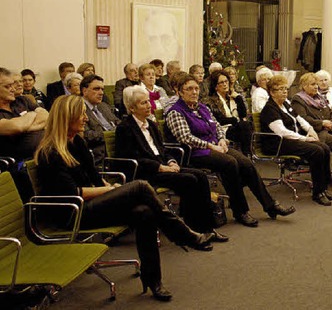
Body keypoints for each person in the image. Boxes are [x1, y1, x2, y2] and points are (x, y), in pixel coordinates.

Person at [35, 95, 219, 302]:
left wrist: (107, 187)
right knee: (140, 186)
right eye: (82, 114)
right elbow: (74, 193)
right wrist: (111, 190)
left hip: (90, 204)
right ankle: (184, 234)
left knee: (145, 212)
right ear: (67, 118)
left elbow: (94, 179)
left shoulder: (76, 141)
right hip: (72, 213)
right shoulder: (50, 152)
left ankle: (153, 280)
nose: (86, 118)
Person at [165, 73, 295, 227]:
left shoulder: (202, 107)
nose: (194, 92)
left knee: (246, 163)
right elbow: (185, 137)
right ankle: (240, 211)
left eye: (196, 88)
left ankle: (270, 205)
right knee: (230, 163)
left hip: (216, 146)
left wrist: (221, 139)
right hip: (194, 152)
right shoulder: (175, 112)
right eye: (189, 89)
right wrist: (211, 145)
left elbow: (217, 126)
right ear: (180, 92)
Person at [116, 86, 229, 240]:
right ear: (132, 108)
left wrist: (171, 161)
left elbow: (163, 149)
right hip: (145, 171)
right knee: (188, 180)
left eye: (148, 101)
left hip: (163, 166)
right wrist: (159, 167)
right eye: (143, 103)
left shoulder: (151, 124)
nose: (149, 105)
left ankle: (208, 227)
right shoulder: (125, 128)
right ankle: (191, 231)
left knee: (201, 176)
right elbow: (129, 158)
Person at [260, 75, 332, 206]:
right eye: (280, 89)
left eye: (286, 89)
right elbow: (282, 132)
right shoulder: (269, 109)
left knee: (324, 148)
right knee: (316, 151)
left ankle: (323, 187)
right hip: (277, 143)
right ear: (272, 92)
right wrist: (305, 138)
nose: (284, 91)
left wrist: (311, 129)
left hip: (291, 140)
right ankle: (317, 193)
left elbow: (300, 119)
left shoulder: (286, 104)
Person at [0, 67, 48, 201]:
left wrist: (25, 126)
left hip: (40, 157)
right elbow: (15, 126)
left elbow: (46, 116)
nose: (13, 89)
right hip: (16, 165)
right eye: (8, 86)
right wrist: (33, 114)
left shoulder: (22, 100)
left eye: (13, 85)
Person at [203, 70, 252, 155]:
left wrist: (239, 99)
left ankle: (246, 154)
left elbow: (243, 114)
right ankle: (247, 154)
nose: (225, 84)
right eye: (221, 82)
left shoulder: (233, 98)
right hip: (222, 129)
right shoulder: (211, 101)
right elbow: (220, 120)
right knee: (244, 125)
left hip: (235, 128)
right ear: (215, 86)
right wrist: (235, 120)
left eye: (226, 81)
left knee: (246, 124)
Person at [81, 75, 119, 165]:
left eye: (102, 89)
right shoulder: (79, 108)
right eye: (96, 89)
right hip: (100, 153)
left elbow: (118, 122)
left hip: (116, 147)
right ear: (84, 91)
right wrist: (111, 134)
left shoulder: (103, 105)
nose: (101, 93)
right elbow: (87, 135)